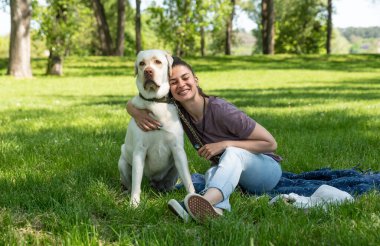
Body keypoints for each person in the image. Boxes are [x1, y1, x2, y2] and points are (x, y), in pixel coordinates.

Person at [126, 56, 282, 223]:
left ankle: (202, 202)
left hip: (266, 171)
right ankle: (215, 211)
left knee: (232, 152)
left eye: (185, 78)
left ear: (196, 80)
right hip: (234, 173)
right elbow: (135, 101)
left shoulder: (221, 110)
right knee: (212, 173)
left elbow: (270, 143)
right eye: (174, 82)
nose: (181, 85)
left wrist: (224, 144)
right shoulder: (176, 110)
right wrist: (136, 112)